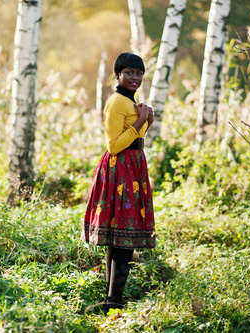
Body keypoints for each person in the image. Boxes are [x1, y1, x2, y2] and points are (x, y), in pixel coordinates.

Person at [82, 52, 156, 314]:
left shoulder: (130, 101)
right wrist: (140, 119)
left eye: (139, 73)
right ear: (118, 75)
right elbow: (114, 146)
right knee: (121, 238)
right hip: (120, 169)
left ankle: (112, 299)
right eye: (130, 73)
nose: (135, 77)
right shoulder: (116, 102)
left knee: (119, 237)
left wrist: (147, 119)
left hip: (132, 167)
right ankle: (113, 301)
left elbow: (135, 138)